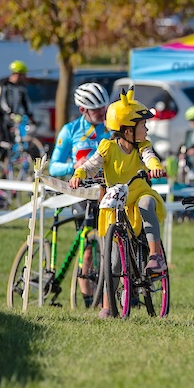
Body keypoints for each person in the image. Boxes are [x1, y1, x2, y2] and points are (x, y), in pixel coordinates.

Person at [69, 88, 168, 319]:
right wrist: (80, 174)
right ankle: (107, 306)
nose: (147, 128)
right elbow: (92, 164)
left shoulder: (143, 146)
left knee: (146, 204)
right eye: (143, 125)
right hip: (116, 202)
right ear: (127, 130)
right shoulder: (107, 147)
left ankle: (155, 255)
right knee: (112, 263)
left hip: (138, 194)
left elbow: (150, 157)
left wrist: (154, 167)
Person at [49, 82, 110, 306]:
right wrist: (74, 166)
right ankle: (87, 297)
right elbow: (54, 166)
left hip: (107, 189)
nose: (103, 113)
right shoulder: (70, 130)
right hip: (82, 192)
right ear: (83, 110)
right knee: (88, 242)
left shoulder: (111, 127)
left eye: (105, 107)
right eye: (97, 110)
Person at [0, 60, 36, 159]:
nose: (24, 77)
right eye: (23, 75)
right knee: (2, 139)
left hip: (11, 117)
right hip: (0, 115)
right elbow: (2, 102)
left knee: (10, 142)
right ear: (17, 74)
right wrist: (10, 113)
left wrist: (31, 116)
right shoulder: (5, 85)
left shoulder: (21, 87)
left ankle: (4, 166)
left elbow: (25, 103)